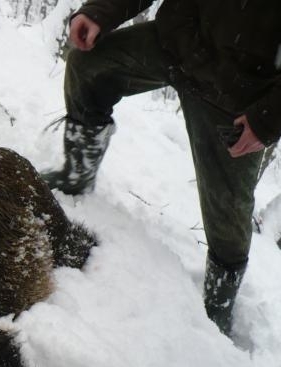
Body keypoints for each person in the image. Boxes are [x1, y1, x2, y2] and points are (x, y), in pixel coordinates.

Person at [42, 0, 281, 337]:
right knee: (89, 66)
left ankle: (218, 307)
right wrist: (101, 12)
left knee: (227, 216)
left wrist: (268, 119)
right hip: (178, 43)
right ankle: (77, 173)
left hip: (238, 92)